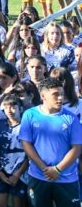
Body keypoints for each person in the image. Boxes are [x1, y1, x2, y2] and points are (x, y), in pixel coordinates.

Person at [19, 78, 82, 206]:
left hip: (66, 179)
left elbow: (77, 148)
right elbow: (26, 143)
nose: (60, 98)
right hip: (38, 177)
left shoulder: (71, 118)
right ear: (43, 96)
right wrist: (44, 169)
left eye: (62, 94)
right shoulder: (29, 115)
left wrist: (57, 170)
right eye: (55, 94)